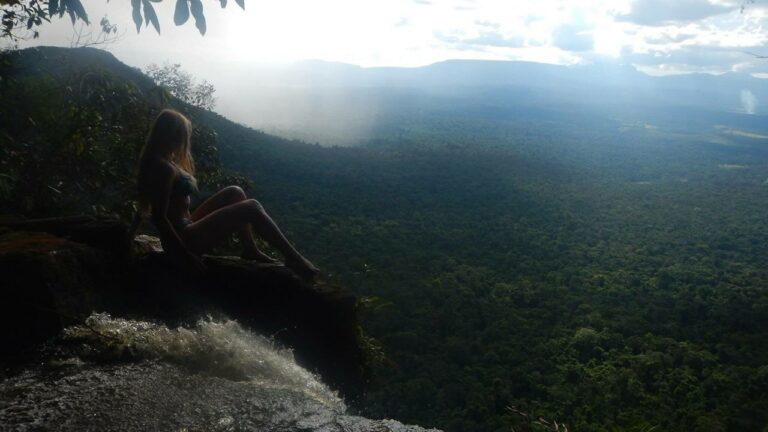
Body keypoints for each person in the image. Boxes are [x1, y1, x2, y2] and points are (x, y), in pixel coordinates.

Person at [136, 109, 319, 279]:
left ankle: (250, 249)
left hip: (187, 227)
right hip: (184, 239)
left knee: (235, 192)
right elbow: (159, 217)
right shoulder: (164, 168)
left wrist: (130, 235)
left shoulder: (161, 161)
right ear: (173, 135)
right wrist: (185, 255)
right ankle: (293, 257)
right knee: (252, 207)